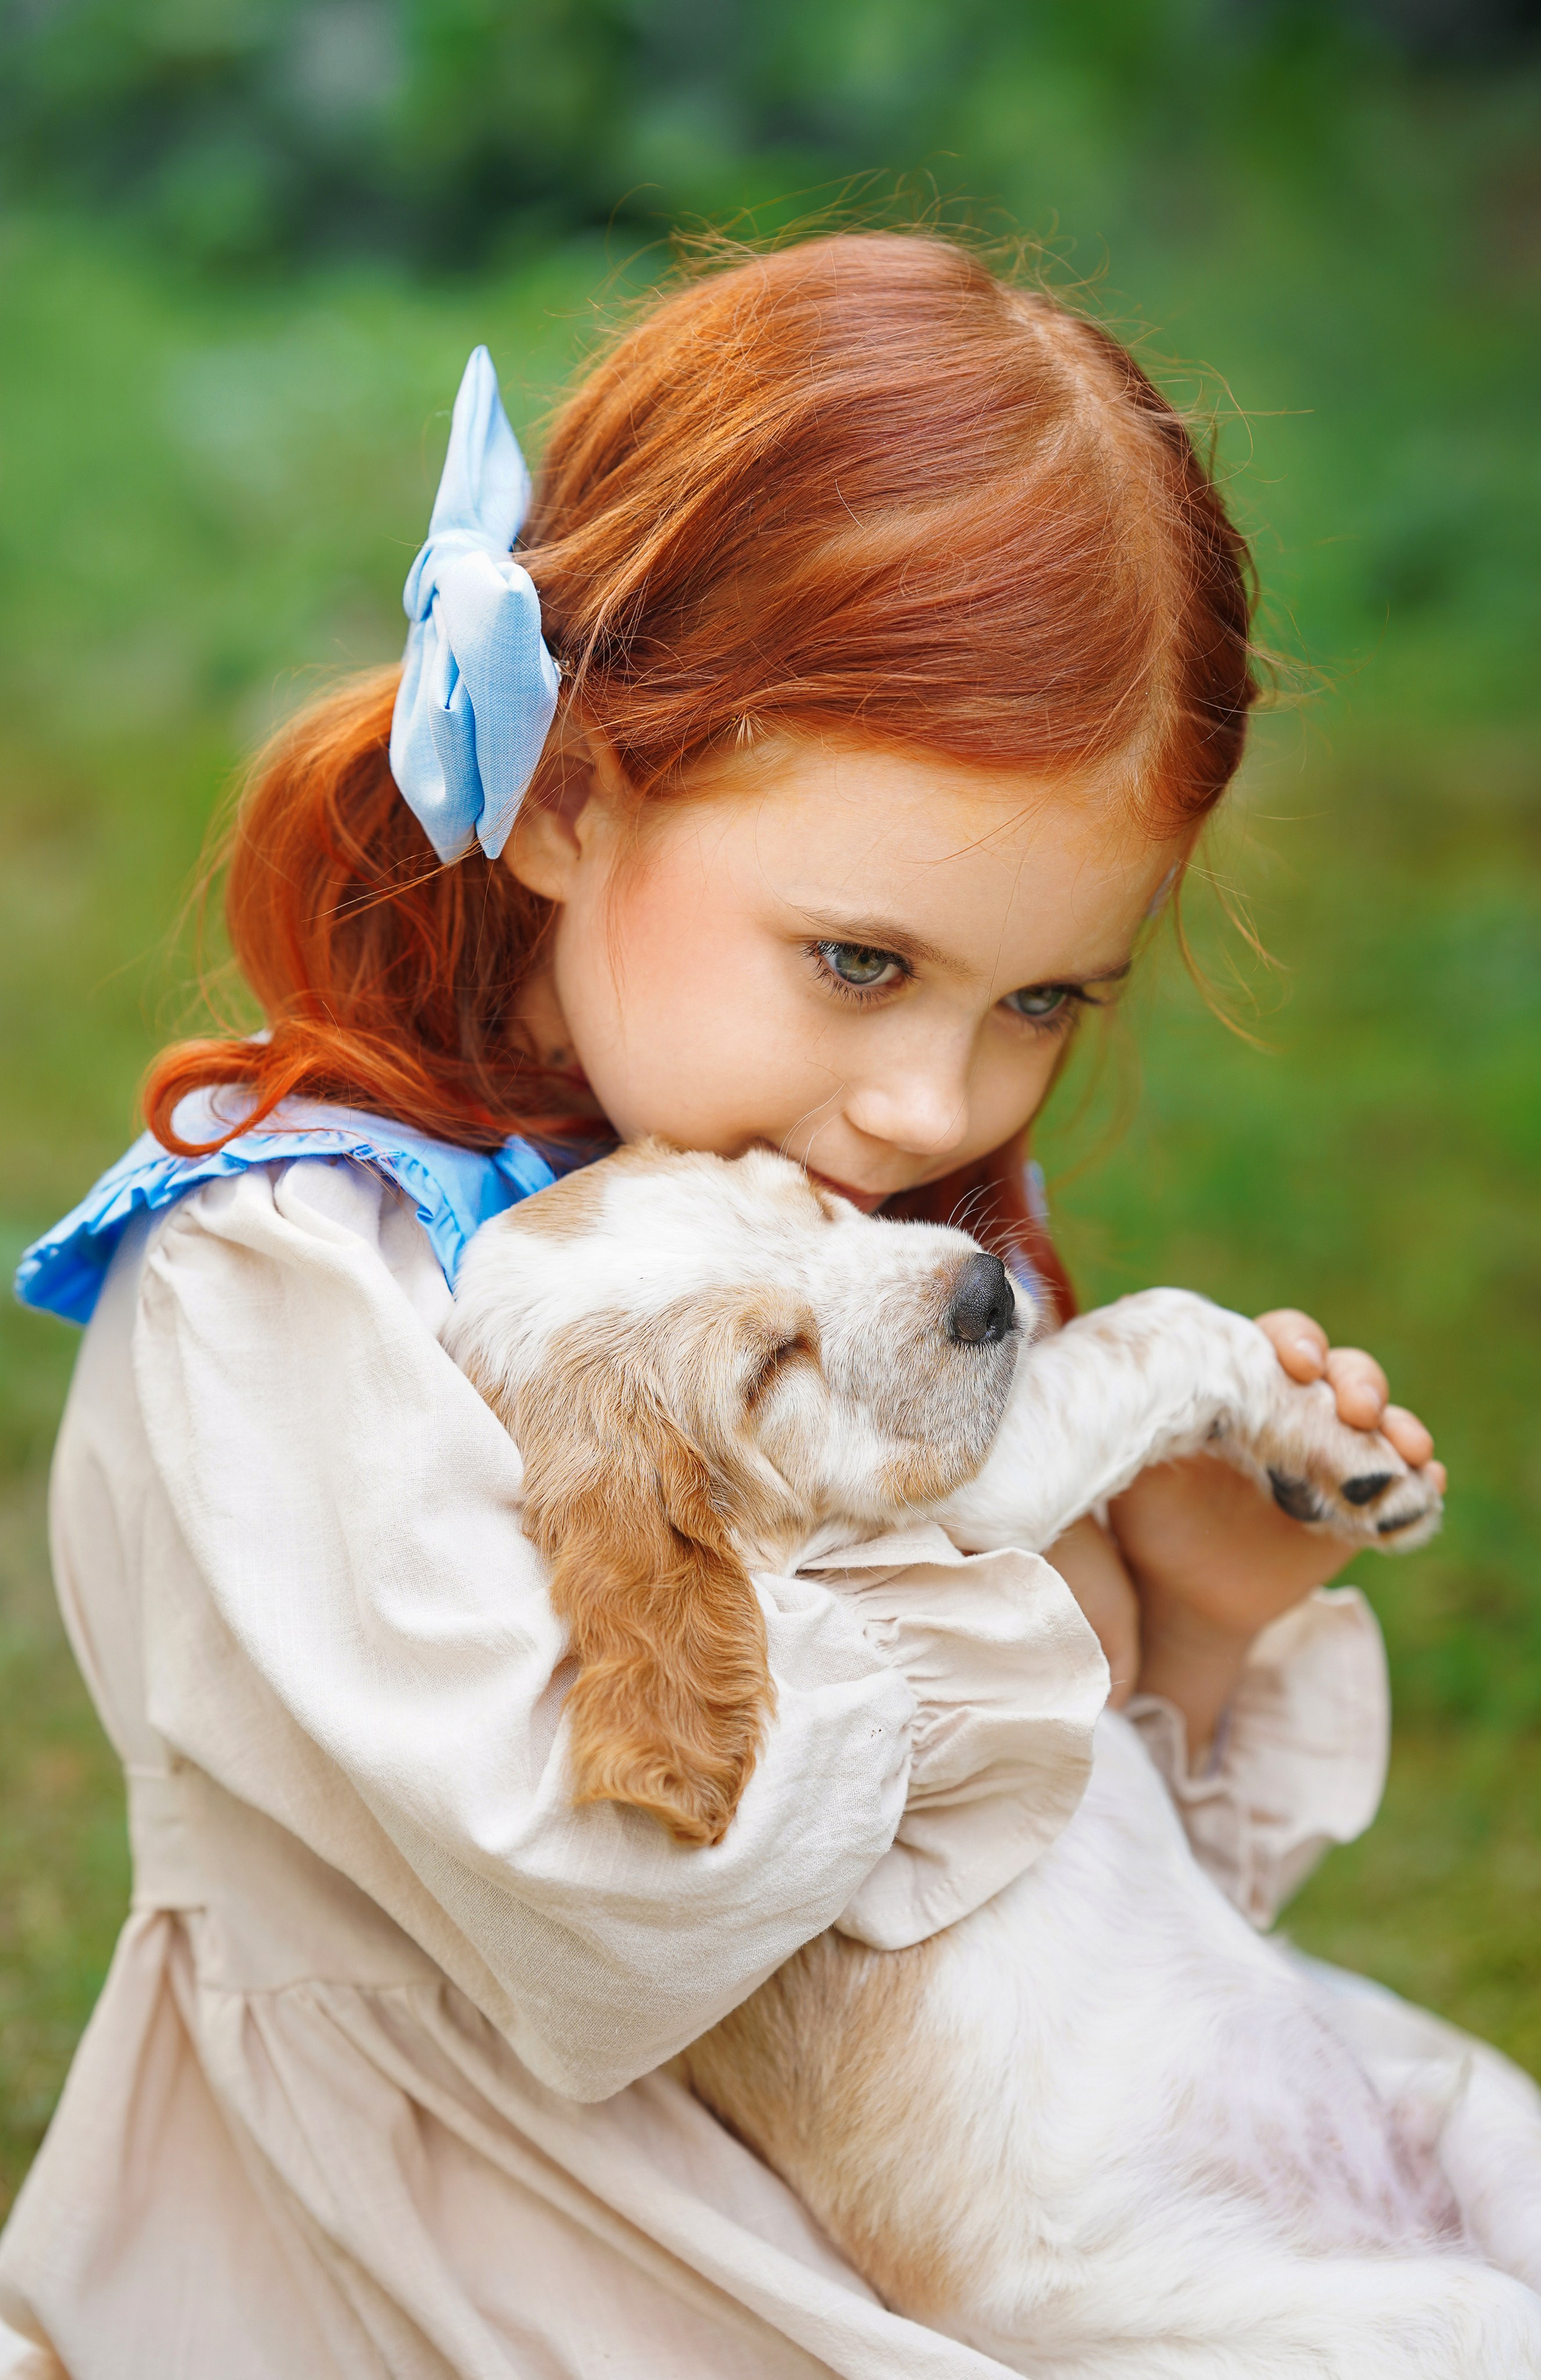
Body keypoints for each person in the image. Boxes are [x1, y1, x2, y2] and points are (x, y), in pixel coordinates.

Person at [0, 232, 1460, 2377]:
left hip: (915, 2193)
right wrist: (1010, 1575)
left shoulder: (844, 1220)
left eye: (1041, 1001)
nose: (933, 1102)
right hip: (483, 2265)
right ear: (568, 800)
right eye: (862, 962)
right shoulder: (289, 1285)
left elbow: (991, 1962)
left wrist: (1191, 1616)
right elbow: (609, 1905)